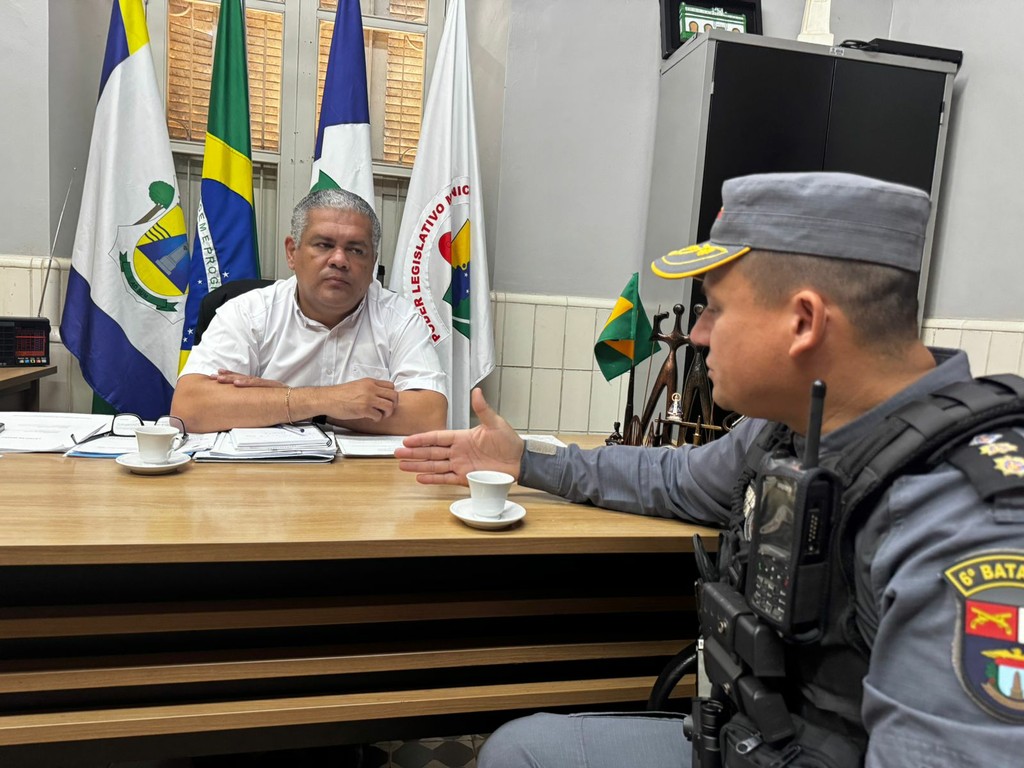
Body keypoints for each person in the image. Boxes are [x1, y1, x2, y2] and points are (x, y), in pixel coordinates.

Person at [395, 172, 1024, 767]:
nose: (696, 334)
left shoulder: (964, 521)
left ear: (803, 322)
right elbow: (674, 479)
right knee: (521, 750)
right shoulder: (788, 427)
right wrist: (525, 461)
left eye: (715, 308)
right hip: (760, 739)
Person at [172, 188, 448, 435]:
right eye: (324, 245)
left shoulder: (399, 318)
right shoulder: (248, 311)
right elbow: (189, 408)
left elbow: (429, 416)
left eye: (356, 250)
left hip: (364, 475)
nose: (339, 260)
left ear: (373, 263)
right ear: (292, 252)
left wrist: (308, 406)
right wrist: (326, 400)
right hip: (263, 473)